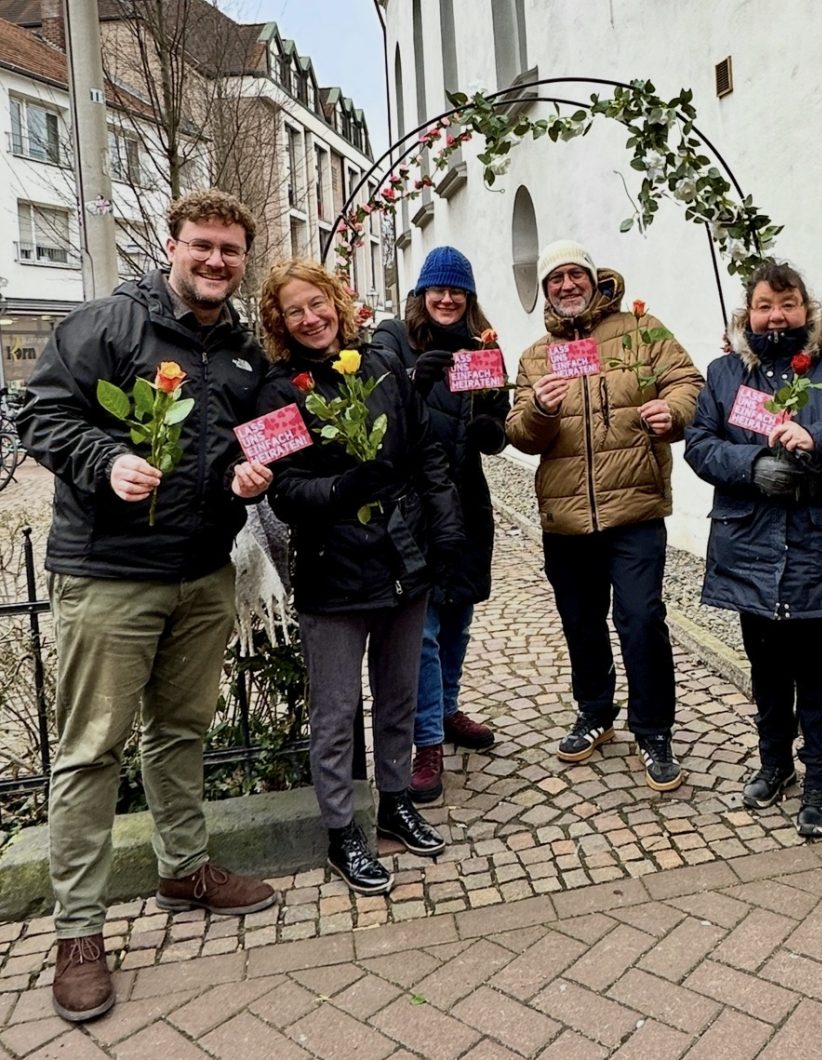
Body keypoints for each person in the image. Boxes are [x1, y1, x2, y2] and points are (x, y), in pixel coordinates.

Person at [16, 190, 277, 1023]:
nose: (215, 261)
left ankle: (184, 866)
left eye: (230, 251)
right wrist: (106, 459)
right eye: (202, 245)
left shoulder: (240, 347)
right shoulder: (107, 325)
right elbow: (40, 413)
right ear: (172, 245)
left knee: (182, 731)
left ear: (242, 259)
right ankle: (79, 933)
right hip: (110, 574)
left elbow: (270, 429)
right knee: (92, 750)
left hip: (203, 574)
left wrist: (257, 469)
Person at [257, 259, 464, 897]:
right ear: (280, 322)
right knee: (337, 710)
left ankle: (396, 799)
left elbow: (426, 452)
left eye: (317, 304)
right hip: (334, 572)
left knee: (399, 696)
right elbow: (283, 492)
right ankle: (343, 828)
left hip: (404, 561)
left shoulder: (379, 367)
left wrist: (447, 530)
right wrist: (343, 488)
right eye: (295, 311)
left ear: (337, 303)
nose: (311, 318)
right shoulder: (275, 391)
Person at [685, 261, 822, 834]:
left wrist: (817, 438)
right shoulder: (726, 375)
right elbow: (700, 444)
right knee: (767, 666)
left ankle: (820, 780)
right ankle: (775, 764)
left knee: (820, 669)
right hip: (751, 546)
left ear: (807, 309)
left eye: (788, 304)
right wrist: (753, 464)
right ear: (748, 314)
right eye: (766, 306)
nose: (777, 316)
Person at [507, 239, 703, 791]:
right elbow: (518, 433)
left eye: (575, 275)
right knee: (581, 621)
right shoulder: (535, 355)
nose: (566, 285)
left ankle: (654, 728)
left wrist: (675, 411)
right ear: (545, 290)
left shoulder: (642, 330)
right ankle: (594, 712)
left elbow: (689, 382)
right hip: (566, 518)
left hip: (635, 506)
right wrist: (542, 409)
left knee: (641, 619)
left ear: (595, 279)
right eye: (555, 279)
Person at [374, 247, 508, 803]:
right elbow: (373, 402)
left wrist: (491, 425)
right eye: (438, 290)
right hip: (413, 503)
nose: (447, 299)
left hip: (467, 499)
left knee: (459, 618)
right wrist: (410, 376)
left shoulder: (485, 347)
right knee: (423, 628)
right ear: (421, 294)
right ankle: (425, 739)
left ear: (468, 298)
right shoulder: (391, 337)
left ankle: (447, 708)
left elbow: (500, 434)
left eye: (457, 291)